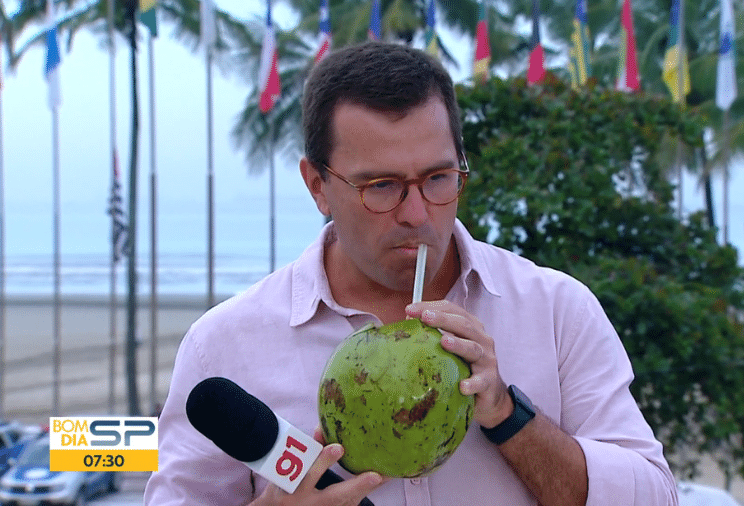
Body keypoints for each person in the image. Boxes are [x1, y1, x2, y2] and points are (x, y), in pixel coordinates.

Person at [144, 41, 677, 506]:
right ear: (317, 186)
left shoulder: (556, 310)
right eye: (381, 186)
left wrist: (509, 415)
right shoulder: (226, 345)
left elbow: (655, 497)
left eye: (438, 178)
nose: (417, 215)